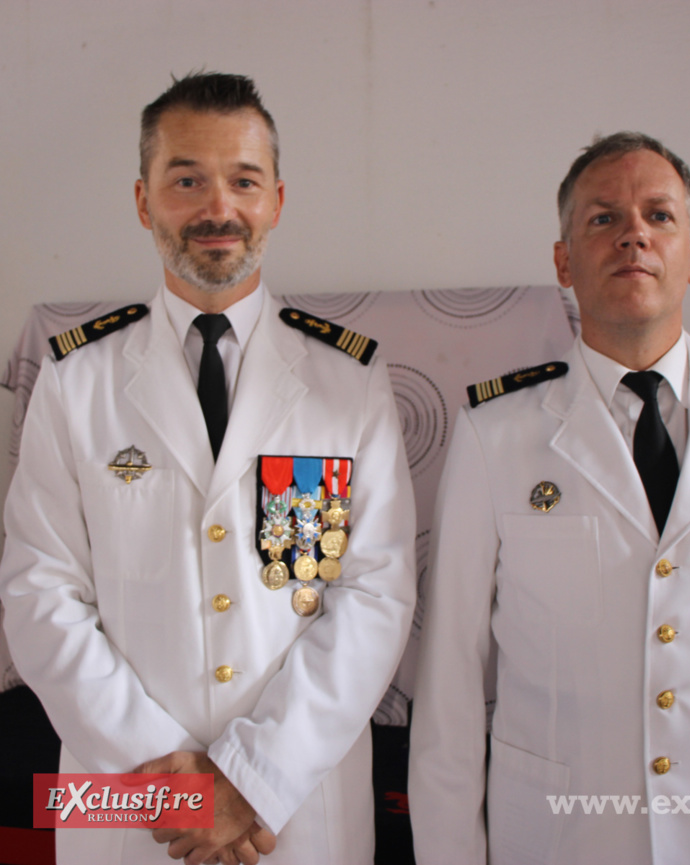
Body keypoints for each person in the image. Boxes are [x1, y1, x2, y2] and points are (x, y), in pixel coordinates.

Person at [408, 131, 690, 864]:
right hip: (562, 840)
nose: (633, 236)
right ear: (562, 260)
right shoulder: (495, 434)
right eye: (602, 218)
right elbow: (451, 691)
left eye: (659, 216)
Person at [0, 72, 416, 865]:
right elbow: (38, 590)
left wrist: (250, 778)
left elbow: (375, 594)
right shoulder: (75, 378)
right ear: (143, 200)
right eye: (185, 179)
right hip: (126, 808)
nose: (216, 208)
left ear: (277, 202)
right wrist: (175, 787)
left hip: (291, 809)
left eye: (243, 180)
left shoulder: (348, 379)